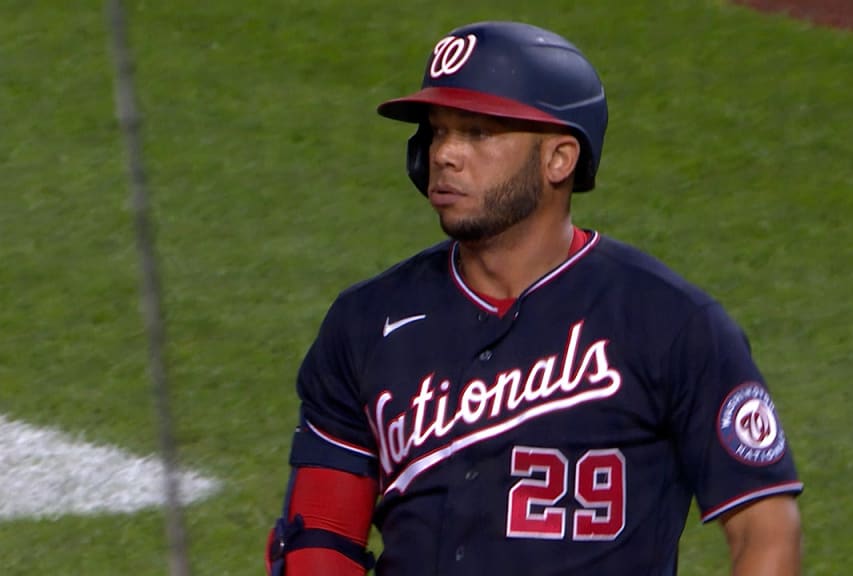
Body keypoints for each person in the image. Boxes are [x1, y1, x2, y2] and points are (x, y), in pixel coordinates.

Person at [266, 20, 803, 576]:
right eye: (437, 131)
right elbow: (319, 539)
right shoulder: (365, 323)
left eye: (477, 133)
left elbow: (766, 534)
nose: (445, 154)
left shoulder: (669, 324)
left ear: (559, 160)